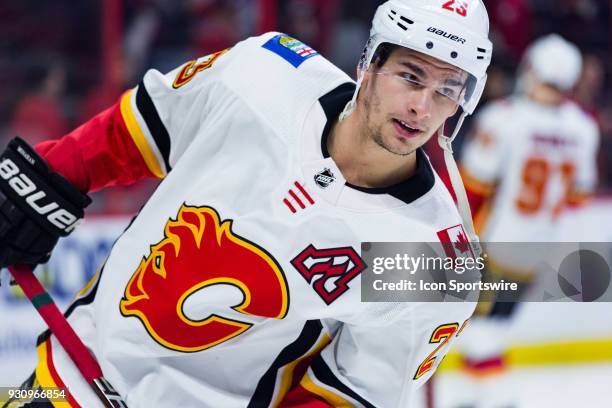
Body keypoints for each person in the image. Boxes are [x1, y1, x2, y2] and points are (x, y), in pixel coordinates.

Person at [0, 1, 492, 406]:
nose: (422, 108)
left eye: (448, 90)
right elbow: (139, 129)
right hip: (67, 376)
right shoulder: (264, 76)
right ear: (369, 63)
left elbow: (347, 395)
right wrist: (47, 178)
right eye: (410, 76)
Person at [453, 34, 600, 406]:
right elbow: (578, 196)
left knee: (476, 333)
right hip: (537, 249)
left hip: (493, 244)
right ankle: (474, 398)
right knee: (491, 327)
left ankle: (501, 399)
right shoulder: (583, 129)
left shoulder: (505, 118)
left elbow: (472, 186)